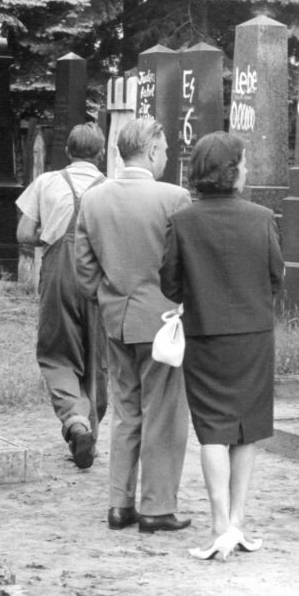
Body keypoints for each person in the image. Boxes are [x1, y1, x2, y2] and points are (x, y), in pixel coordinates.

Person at [159, 132, 283, 561]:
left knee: (212, 429)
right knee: (246, 429)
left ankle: (218, 527)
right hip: (252, 335)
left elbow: (169, 282)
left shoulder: (183, 220)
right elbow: (276, 277)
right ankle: (238, 522)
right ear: (231, 171)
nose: (247, 169)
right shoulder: (262, 217)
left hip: (205, 334)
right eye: (243, 163)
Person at [75, 118, 193, 534]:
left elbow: (84, 268)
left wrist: (106, 299)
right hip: (163, 321)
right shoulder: (175, 198)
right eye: (162, 150)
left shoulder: (94, 199)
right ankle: (157, 507)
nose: (165, 158)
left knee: (126, 412)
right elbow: (187, 262)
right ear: (150, 150)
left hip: (116, 319)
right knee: (162, 413)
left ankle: (119, 505)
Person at [16, 122, 108, 469]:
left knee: (57, 353)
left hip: (58, 275)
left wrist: (51, 232)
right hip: (99, 276)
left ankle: (75, 421)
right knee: (97, 355)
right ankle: (91, 434)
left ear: (68, 151)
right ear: (100, 154)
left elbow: (24, 233)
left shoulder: (46, 182)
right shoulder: (109, 188)